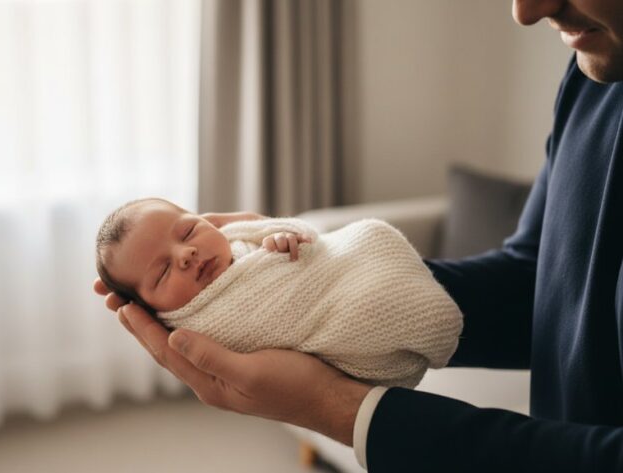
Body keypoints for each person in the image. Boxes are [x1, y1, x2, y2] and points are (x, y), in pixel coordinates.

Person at [94, 0, 623, 470]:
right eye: (161, 270)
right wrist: (362, 289)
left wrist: (339, 407)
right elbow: (544, 281)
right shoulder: (593, 75)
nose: (525, 11)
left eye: (187, 232)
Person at [95, 198, 462, 388]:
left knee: (371, 232)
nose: (186, 255)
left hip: (341, 266)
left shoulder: (237, 238)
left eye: (188, 231)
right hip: (342, 314)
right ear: (151, 308)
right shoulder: (197, 325)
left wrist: (282, 238)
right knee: (371, 307)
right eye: (162, 272)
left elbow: (307, 238)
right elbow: (268, 323)